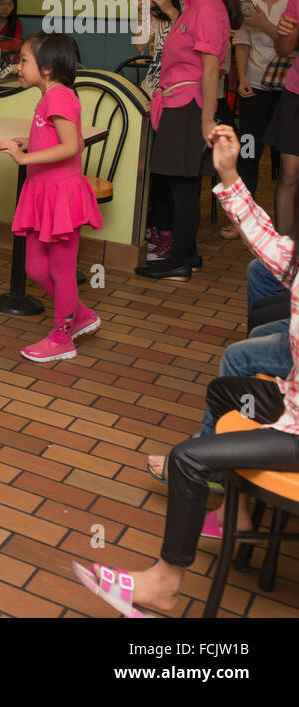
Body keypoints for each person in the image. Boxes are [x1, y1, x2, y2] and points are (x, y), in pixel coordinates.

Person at [73, 125, 299, 617]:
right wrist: (227, 171)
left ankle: (164, 584)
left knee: (188, 459)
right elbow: (266, 238)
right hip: (290, 398)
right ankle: (235, 508)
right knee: (224, 391)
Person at [135, 0, 239, 281]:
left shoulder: (208, 7)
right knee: (182, 184)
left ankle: (178, 260)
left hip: (190, 105)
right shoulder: (195, 5)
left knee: (183, 186)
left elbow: (211, 69)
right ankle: (187, 255)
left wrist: (207, 119)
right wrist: (167, 8)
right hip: (179, 102)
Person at [0, 33, 104, 360]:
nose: (18, 65)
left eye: (24, 60)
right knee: (35, 267)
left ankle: (62, 338)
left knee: (61, 270)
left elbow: (72, 146)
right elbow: (54, 137)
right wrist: (30, 142)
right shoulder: (48, 96)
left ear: (46, 68)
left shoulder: (59, 97)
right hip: (43, 192)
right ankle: (81, 316)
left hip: (61, 196)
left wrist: (24, 157)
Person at [130, 0, 197, 261]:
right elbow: (141, 45)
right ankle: (155, 226)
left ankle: (171, 234)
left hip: (182, 96)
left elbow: (198, 44)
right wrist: (142, 8)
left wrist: (171, 8)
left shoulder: (196, 1)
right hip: (152, 93)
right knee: (153, 166)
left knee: (174, 171)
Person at [232, 0, 298, 225]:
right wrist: (243, 77)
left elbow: (291, 46)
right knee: (247, 151)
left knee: (288, 163)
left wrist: (264, 25)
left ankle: (284, 221)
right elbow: (243, 41)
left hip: (289, 91)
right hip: (255, 88)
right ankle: (245, 219)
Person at [260, 0, 299, 240]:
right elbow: (284, 50)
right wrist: (286, 31)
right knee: (289, 173)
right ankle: (284, 255)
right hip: (296, 93)